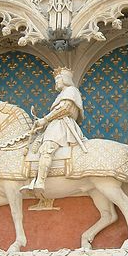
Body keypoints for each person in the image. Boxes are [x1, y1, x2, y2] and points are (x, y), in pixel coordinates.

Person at [21, 67, 87, 195]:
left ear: (65, 79)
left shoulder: (71, 90)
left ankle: (40, 181)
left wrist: (45, 120)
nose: (56, 82)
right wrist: (42, 123)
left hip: (63, 125)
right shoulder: (61, 94)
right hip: (55, 124)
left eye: (58, 79)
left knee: (47, 148)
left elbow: (65, 109)